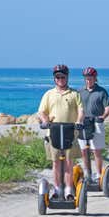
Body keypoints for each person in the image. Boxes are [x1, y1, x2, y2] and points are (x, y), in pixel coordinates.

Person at [38, 64, 84, 200]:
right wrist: (45, 121)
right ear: (54, 78)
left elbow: (81, 110)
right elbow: (41, 111)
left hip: (70, 133)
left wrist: (80, 121)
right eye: (57, 77)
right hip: (53, 133)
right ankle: (57, 189)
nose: (60, 79)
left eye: (63, 77)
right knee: (56, 162)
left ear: (67, 77)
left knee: (69, 162)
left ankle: (69, 190)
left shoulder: (74, 94)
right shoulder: (49, 94)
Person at [78, 67, 109, 182]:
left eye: (90, 78)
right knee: (84, 150)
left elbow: (108, 107)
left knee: (96, 150)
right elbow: (77, 107)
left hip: (97, 122)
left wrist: (103, 117)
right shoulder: (80, 92)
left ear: (95, 78)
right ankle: (87, 173)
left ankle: (98, 175)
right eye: (87, 78)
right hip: (83, 123)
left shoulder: (101, 91)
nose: (88, 80)